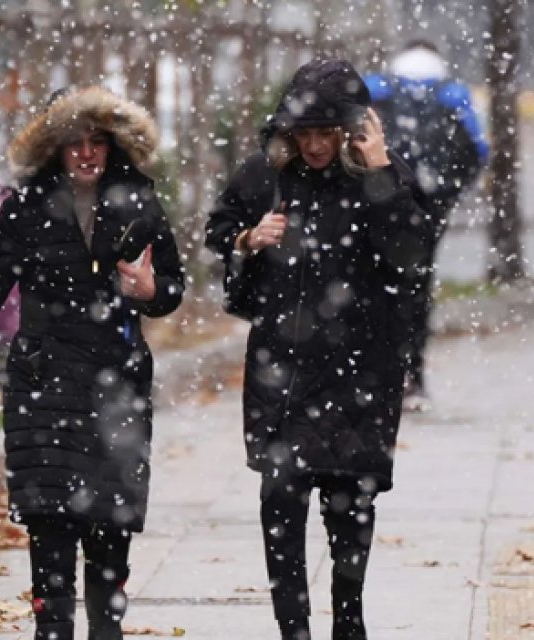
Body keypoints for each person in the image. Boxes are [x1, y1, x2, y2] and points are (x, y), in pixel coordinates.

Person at [0, 86, 186, 640]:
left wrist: (152, 289)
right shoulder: (26, 207)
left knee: (110, 533)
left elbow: (171, 287)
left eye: (97, 141)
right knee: (50, 532)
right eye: (73, 142)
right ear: (53, 147)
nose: (86, 153)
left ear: (113, 144)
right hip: (43, 387)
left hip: (117, 386)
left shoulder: (139, 202)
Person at [205, 59, 432, 640]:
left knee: (350, 502)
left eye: (325, 133)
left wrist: (381, 173)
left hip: (363, 368)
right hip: (283, 365)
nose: (312, 145)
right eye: (302, 133)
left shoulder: (383, 174)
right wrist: (247, 238)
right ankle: (293, 628)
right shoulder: (269, 175)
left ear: (352, 130)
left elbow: (411, 253)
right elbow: (217, 228)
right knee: (280, 500)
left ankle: (348, 620)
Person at [364, 39, 489, 412]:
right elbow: (477, 150)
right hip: (428, 207)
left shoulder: (376, 88)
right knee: (416, 289)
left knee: (370, 284)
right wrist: (445, 195)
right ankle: (412, 378)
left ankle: (371, 378)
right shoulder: (451, 94)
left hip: (376, 202)